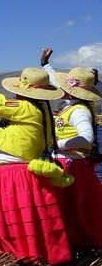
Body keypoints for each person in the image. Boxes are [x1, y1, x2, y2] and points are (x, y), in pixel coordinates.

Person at [0, 64, 73, 265]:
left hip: (11, 175)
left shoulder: (24, 108)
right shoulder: (43, 108)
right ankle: (37, 255)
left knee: (7, 219)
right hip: (23, 172)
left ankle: (12, 258)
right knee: (27, 218)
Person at [41, 47, 102, 250]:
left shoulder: (79, 111)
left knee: (72, 206)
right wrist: (45, 65)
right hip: (67, 161)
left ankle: (75, 244)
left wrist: (59, 144)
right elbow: (55, 80)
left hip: (71, 164)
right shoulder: (72, 105)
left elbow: (86, 138)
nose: (59, 88)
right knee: (69, 206)